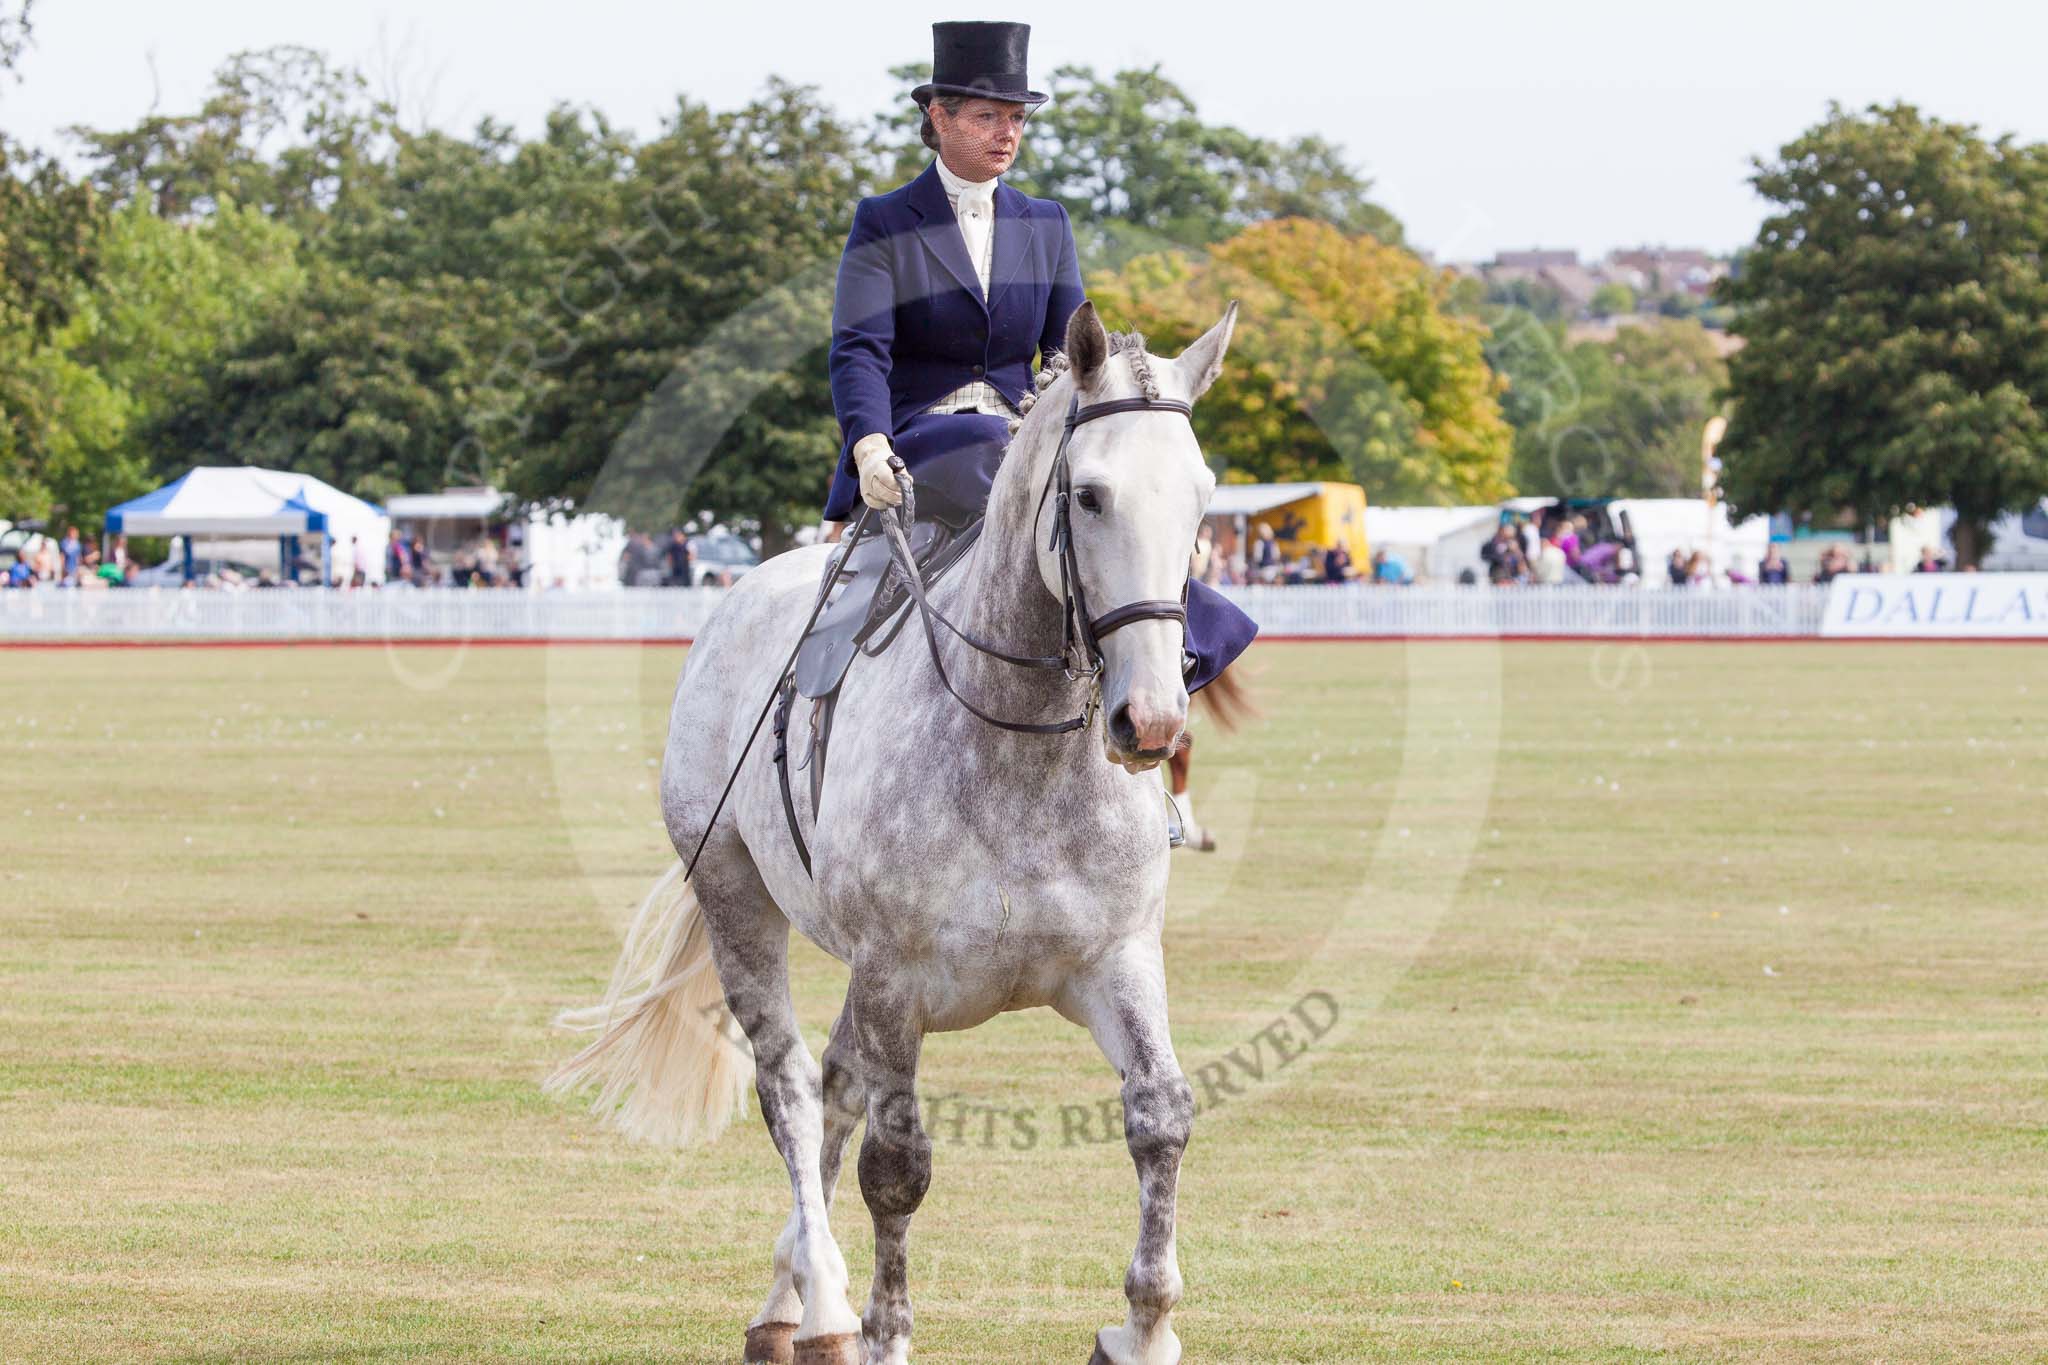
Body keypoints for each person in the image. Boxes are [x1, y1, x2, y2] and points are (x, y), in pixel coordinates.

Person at [825, 21, 1255, 696]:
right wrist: (869, 446)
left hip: (1019, 435)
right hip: (918, 440)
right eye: (987, 116)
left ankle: (1171, 629)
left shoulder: (1047, 222)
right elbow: (859, 348)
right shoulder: (884, 220)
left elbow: (1069, 355)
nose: (1007, 133)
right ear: (938, 118)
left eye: (1017, 119)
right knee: (982, 438)